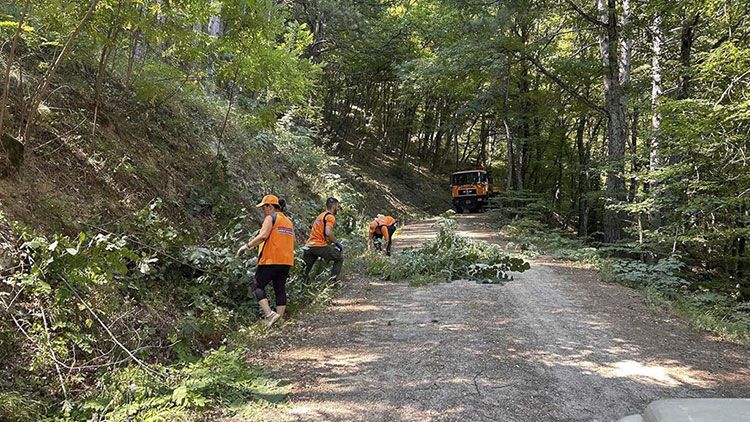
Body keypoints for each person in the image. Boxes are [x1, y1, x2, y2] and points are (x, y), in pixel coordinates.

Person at [237, 195, 294, 328]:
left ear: (271, 206)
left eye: (264, 207)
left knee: (258, 286)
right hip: (286, 261)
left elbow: (263, 236)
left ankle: (269, 315)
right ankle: (279, 320)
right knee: (280, 289)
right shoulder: (288, 222)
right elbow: (293, 241)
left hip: (270, 259)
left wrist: (247, 246)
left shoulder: (270, 218)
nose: (263, 210)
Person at [302, 197, 343, 283]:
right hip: (319, 246)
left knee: (305, 270)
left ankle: (301, 287)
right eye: (337, 206)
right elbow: (328, 232)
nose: (337, 209)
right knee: (339, 258)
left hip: (309, 245)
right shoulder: (330, 217)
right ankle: (332, 283)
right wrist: (336, 243)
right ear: (334, 206)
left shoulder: (321, 216)